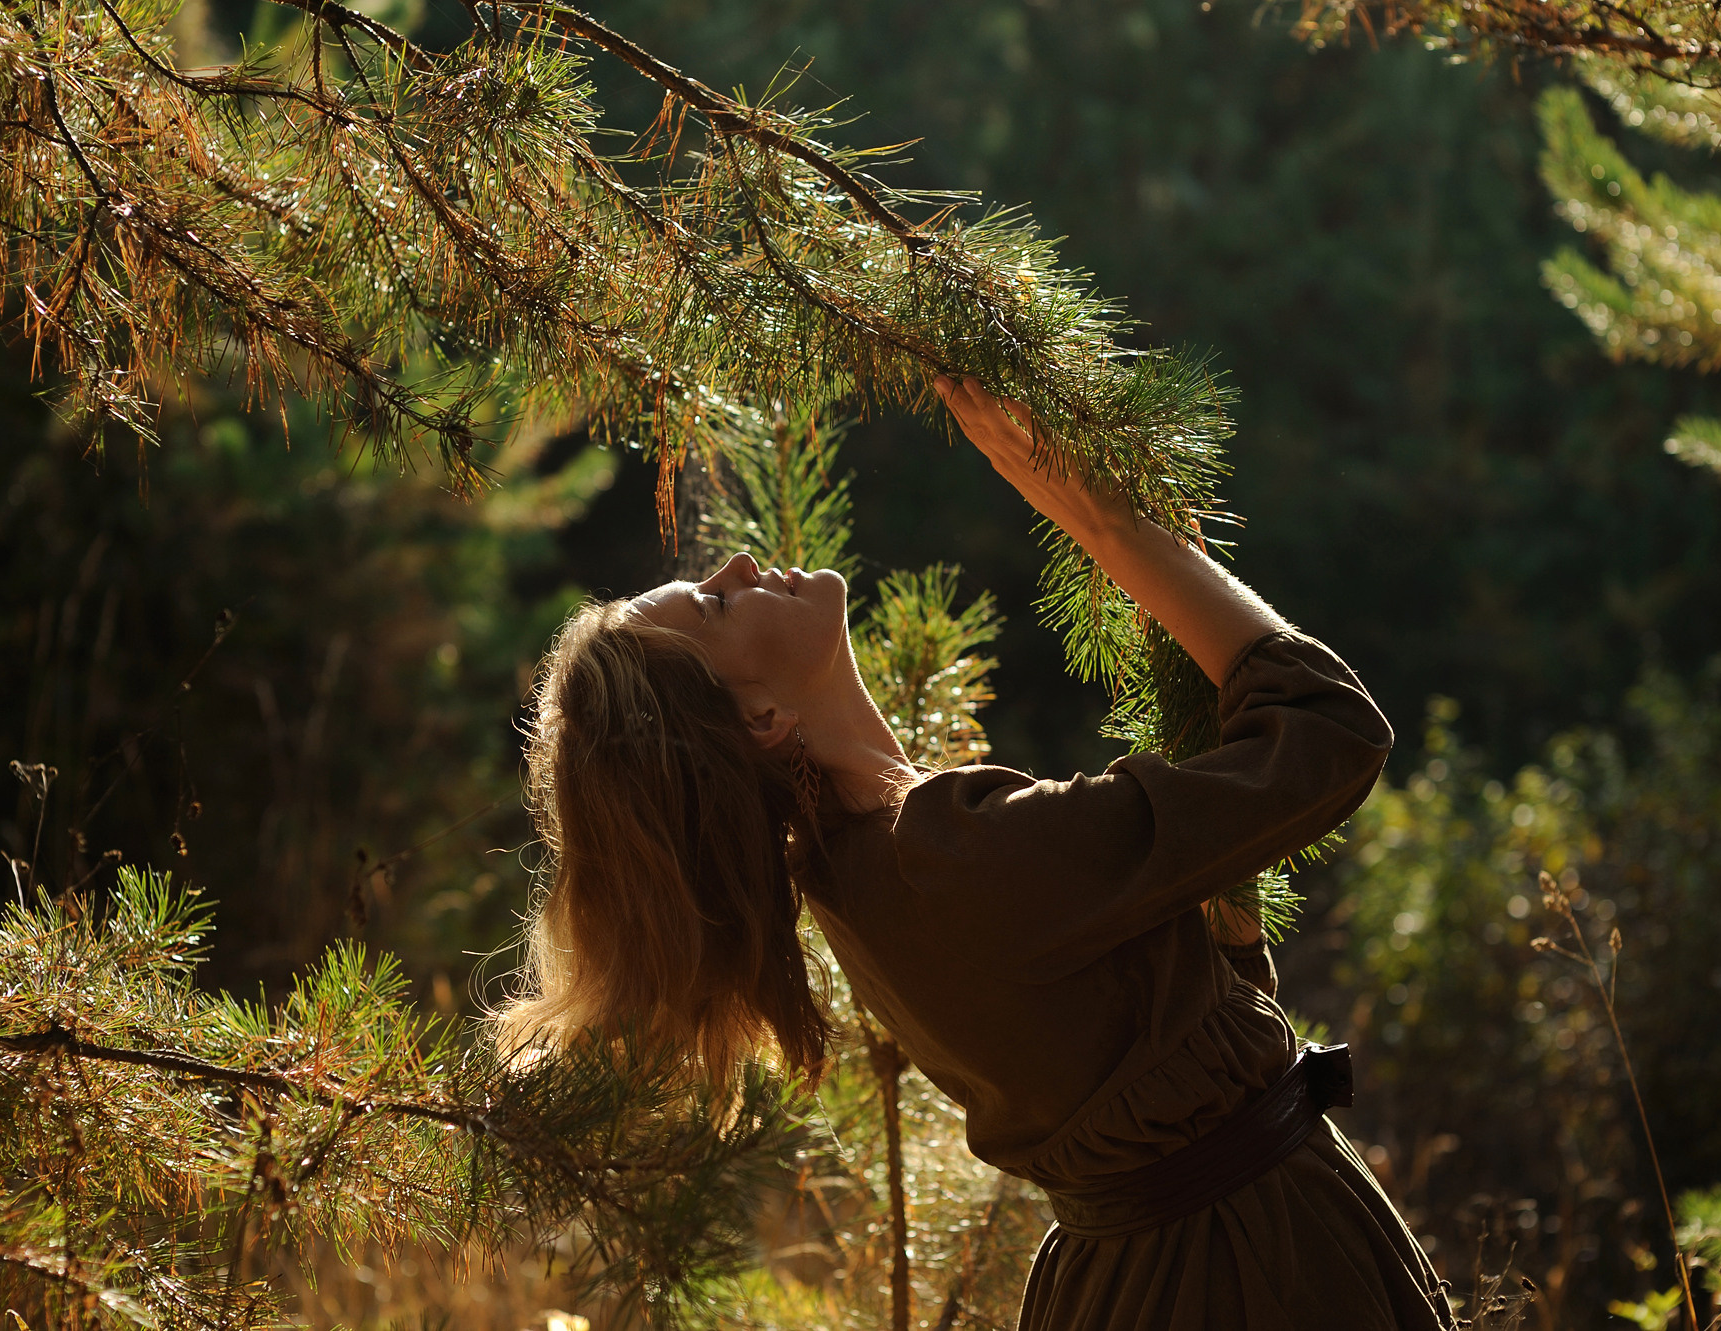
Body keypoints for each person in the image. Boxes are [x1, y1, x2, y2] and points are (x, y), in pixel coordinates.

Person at [501, 376, 1455, 1329]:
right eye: (713, 606)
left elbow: (1164, 1031)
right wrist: (1110, 522)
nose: (740, 564)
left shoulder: (852, 868)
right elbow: (1331, 734)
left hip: (1172, 1269)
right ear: (760, 717)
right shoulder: (943, 852)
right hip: (1250, 1273)